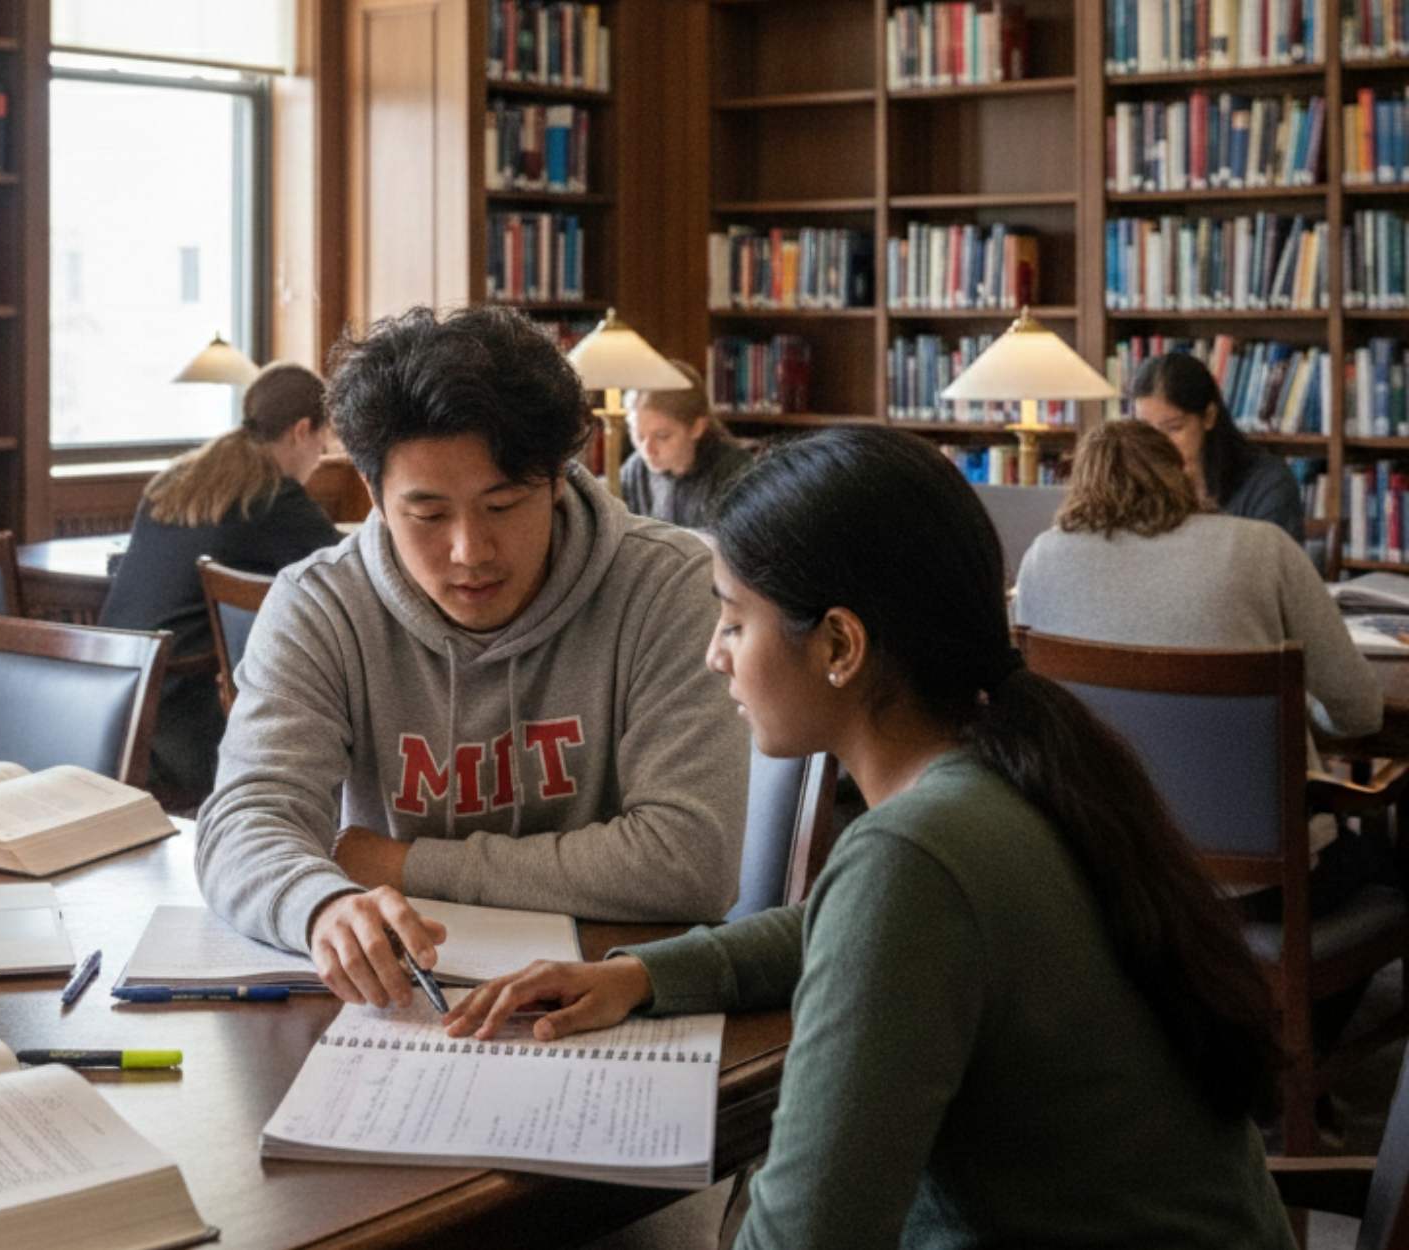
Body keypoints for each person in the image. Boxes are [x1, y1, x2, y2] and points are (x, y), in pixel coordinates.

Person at [443, 425, 1294, 1249]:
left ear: (841, 644)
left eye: (735, 621)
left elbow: (808, 1235)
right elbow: (840, 929)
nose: (714, 656)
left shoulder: (919, 852)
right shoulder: (1012, 765)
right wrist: (638, 975)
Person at [194, 304, 750, 1007]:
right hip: (404, 1004)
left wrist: (399, 862)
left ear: (556, 478)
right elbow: (245, 819)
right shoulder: (319, 605)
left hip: (614, 1000)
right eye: (426, 514)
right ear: (373, 494)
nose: (469, 552)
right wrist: (317, 905)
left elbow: (688, 861)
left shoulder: (666, 586)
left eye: (504, 504)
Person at [1014, 419, 1383, 910]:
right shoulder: (1261, 547)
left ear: (1077, 481)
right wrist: (1298, 709)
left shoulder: (1041, 560)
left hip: (1109, 883)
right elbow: (1361, 715)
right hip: (1264, 890)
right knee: (1382, 868)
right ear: (1179, 473)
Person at [98, 362, 343, 806]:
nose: (320, 457)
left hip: (110, 710)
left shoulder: (178, 479)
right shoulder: (272, 498)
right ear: (303, 430)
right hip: (180, 734)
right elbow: (347, 573)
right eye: (323, 444)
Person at [1131, 350, 1306, 543]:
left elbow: (1274, 567)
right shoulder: (1132, 480)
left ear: (1209, 417)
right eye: (1144, 429)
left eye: (1173, 427)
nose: (1157, 442)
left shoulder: (1267, 482)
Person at [618, 361, 754, 528]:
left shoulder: (736, 472)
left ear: (697, 428)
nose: (647, 451)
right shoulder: (636, 469)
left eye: (662, 436)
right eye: (638, 435)